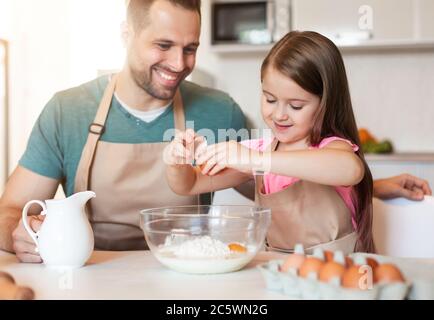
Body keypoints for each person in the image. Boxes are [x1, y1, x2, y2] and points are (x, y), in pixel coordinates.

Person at [0, 0, 247, 262]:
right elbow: (10, 210)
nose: (178, 63)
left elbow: (275, 187)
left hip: (188, 279)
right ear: (126, 35)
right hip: (91, 282)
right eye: (163, 45)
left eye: (190, 49)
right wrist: (21, 233)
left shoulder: (220, 112)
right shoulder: (66, 111)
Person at [166, 31, 383, 253]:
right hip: (281, 273)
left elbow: (351, 169)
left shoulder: (332, 148)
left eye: (296, 106)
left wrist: (256, 161)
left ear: (325, 103)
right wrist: (177, 163)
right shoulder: (259, 153)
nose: (279, 114)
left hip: (337, 273)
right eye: (270, 99)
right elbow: (189, 184)